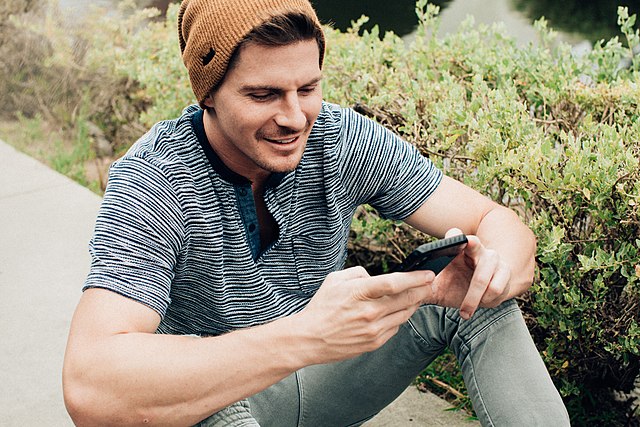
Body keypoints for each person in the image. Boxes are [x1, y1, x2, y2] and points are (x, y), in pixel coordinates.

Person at [62, 0, 570, 425]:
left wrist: (494, 272)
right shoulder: (155, 178)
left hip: (331, 377)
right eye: (263, 94)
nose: (293, 117)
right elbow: (91, 384)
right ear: (208, 92)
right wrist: (305, 335)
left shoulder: (337, 136)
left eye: (307, 88)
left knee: (475, 288)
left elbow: (497, 222)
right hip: (222, 401)